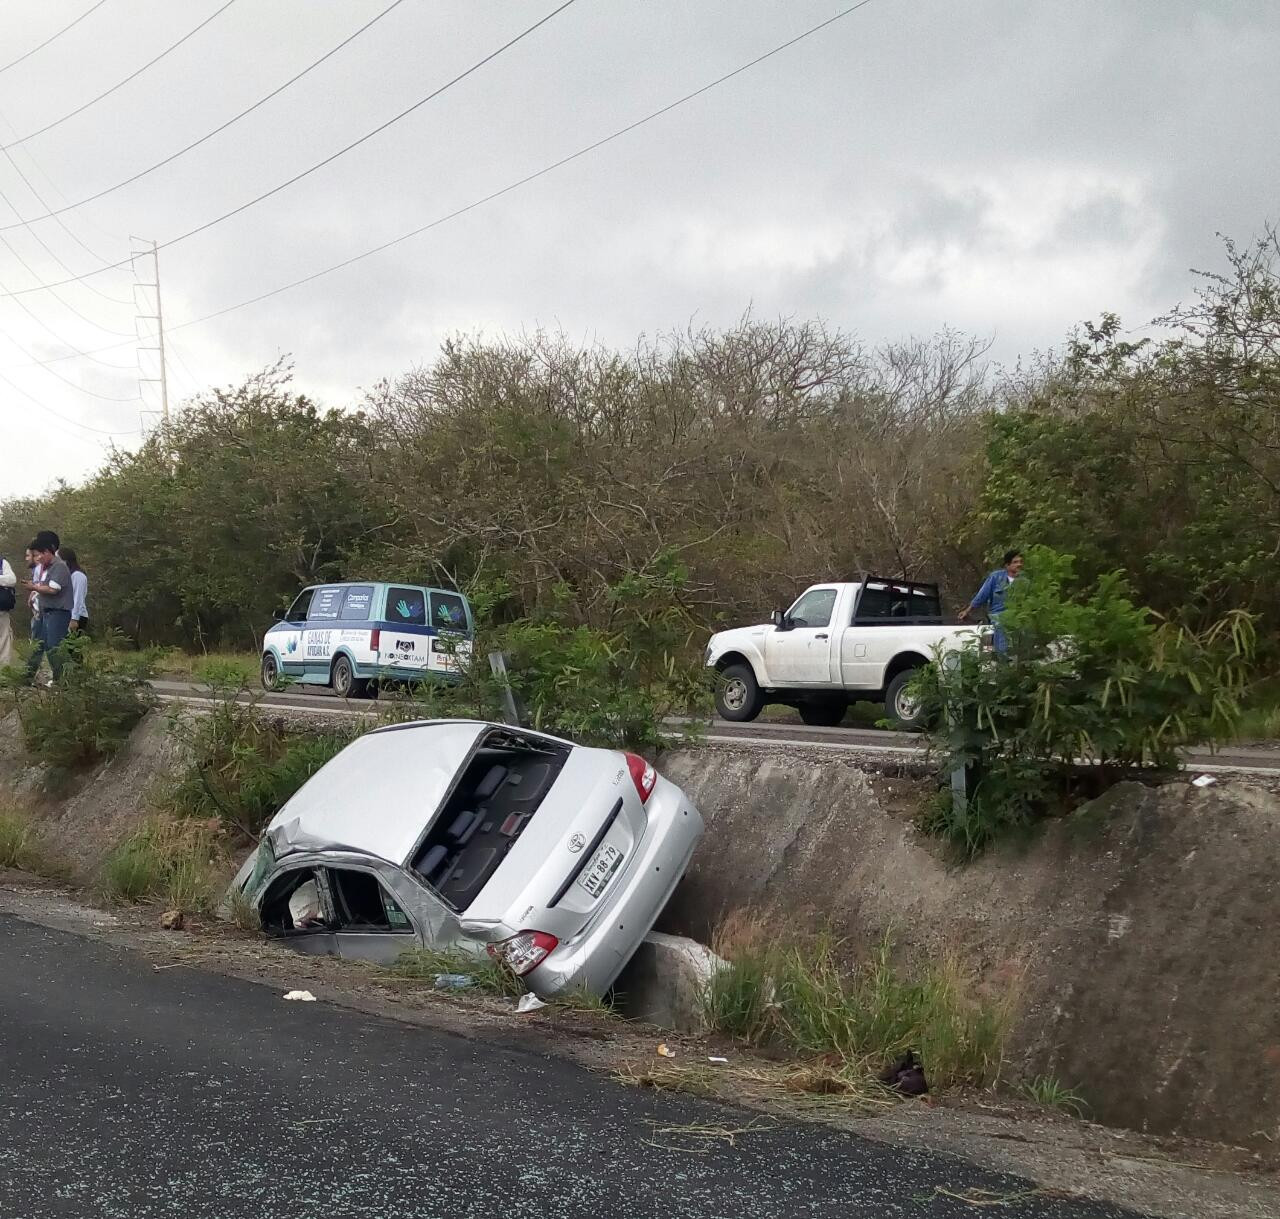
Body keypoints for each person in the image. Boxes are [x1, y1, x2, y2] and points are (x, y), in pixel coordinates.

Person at [23, 537, 73, 684]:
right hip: (47, 612)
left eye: (38, 554)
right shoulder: (48, 567)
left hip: (58, 612)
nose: (37, 558)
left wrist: (34, 587)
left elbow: (53, 589)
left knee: (55, 647)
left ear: (46, 552)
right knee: (41, 645)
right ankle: (29, 677)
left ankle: (63, 681)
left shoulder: (59, 566)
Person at [958, 549, 1024, 652]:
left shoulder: (1025, 580)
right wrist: (967, 611)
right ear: (1007, 565)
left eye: (1020, 562)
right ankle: (1003, 661)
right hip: (999, 615)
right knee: (1001, 625)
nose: (1019, 564)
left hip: (1018, 615)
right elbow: (982, 595)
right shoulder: (996, 577)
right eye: (1015, 562)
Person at [61, 548, 89, 636]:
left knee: (72, 647)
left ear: (66, 560)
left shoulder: (78, 576)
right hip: (67, 614)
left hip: (77, 616)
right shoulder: (67, 576)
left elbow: (78, 598)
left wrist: (74, 619)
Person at [0, 552, 15, 668]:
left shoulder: (2, 563)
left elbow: (12, 580)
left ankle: (4, 671)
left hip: (1, 608)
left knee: (4, 638)